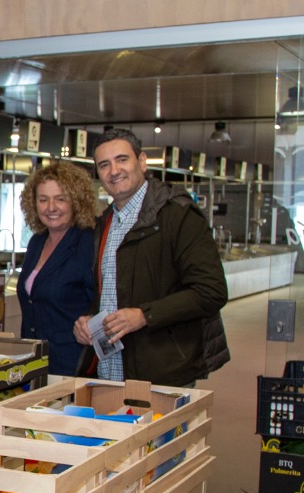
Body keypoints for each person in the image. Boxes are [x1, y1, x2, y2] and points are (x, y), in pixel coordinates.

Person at [73, 130, 229, 386]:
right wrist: (89, 319)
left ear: (142, 161)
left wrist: (144, 315)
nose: (114, 171)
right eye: (104, 165)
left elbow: (211, 291)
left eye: (122, 159)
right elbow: (113, 290)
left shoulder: (177, 214)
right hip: (110, 370)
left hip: (161, 371)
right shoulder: (104, 223)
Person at [17, 162, 99, 376]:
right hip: (33, 360)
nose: (51, 207)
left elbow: (101, 301)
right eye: (43, 199)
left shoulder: (88, 242)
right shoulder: (37, 242)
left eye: (60, 199)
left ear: (76, 202)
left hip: (72, 363)